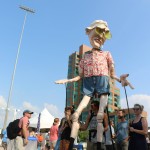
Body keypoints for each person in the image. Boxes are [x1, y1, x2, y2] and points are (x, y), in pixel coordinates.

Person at [55, 19, 128, 150]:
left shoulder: (106, 54)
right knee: (77, 113)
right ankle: (73, 141)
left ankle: (99, 144)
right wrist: (68, 80)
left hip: (102, 80)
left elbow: (112, 73)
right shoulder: (85, 57)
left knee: (100, 113)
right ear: (89, 32)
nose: (101, 36)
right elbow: (80, 76)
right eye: (99, 31)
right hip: (88, 81)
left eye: (105, 34)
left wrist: (119, 79)